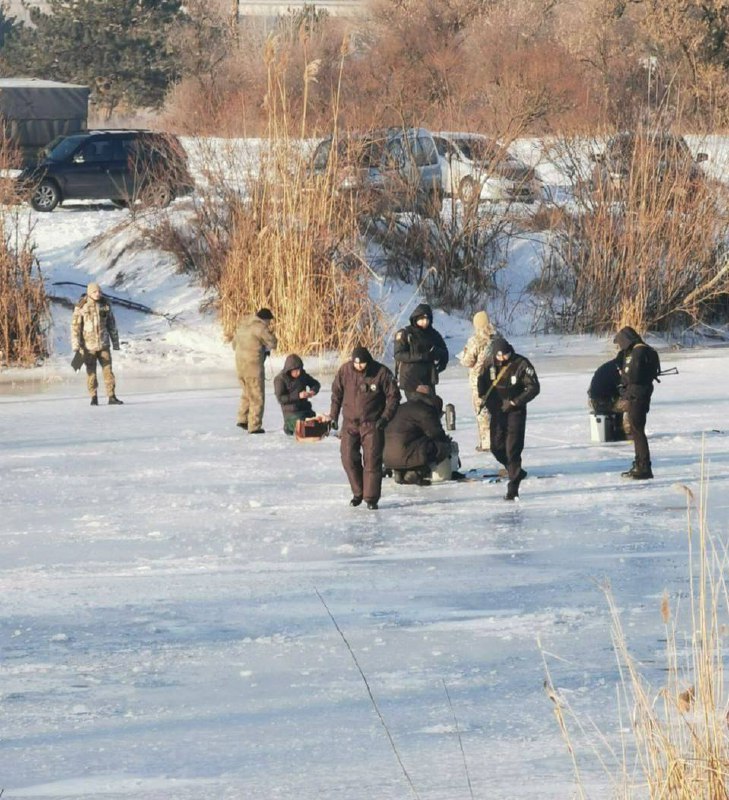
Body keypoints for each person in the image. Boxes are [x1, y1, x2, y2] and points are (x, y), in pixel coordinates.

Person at [327, 346, 400, 510]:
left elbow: (394, 396)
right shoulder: (345, 370)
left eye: (362, 364)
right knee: (348, 457)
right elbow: (336, 394)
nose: (359, 367)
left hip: (372, 423)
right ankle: (358, 492)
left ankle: (371, 498)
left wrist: (385, 418)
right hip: (350, 423)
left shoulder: (381, 372)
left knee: (372, 461)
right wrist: (333, 417)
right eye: (356, 363)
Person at [478, 337, 540, 500]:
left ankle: (513, 487)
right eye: (499, 356)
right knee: (496, 447)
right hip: (497, 411)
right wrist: (487, 400)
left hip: (515, 411)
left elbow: (534, 387)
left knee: (512, 449)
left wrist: (515, 402)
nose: (503, 358)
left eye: (505, 354)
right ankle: (515, 470)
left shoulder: (521, 364)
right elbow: (481, 382)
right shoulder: (489, 364)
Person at [383, 384, 460, 486]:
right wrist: (447, 443)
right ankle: (417, 472)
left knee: (413, 443)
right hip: (405, 454)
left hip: (388, 457)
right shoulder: (425, 409)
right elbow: (436, 433)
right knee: (441, 447)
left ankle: (400, 471)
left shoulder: (402, 407)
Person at [614, 326, 660, 479]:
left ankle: (643, 466)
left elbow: (632, 375)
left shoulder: (637, 352)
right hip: (643, 394)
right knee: (637, 430)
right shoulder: (647, 350)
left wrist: (624, 387)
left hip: (636, 396)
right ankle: (640, 464)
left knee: (637, 431)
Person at [71, 282, 123, 406]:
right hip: (89, 347)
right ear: (89, 293)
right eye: (95, 292)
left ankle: (112, 396)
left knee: (108, 371)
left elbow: (111, 324)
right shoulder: (82, 306)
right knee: (91, 373)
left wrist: (115, 342)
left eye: (99, 292)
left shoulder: (105, 304)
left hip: (104, 344)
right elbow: (75, 327)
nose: (97, 294)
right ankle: (93, 397)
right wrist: (76, 345)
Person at [233, 307, 277, 434]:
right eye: (269, 321)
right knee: (257, 396)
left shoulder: (243, 326)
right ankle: (254, 426)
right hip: (253, 367)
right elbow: (272, 342)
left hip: (240, 367)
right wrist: (266, 346)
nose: (269, 324)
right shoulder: (260, 328)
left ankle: (242, 419)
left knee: (247, 392)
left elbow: (233, 345)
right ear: (265, 319)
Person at [459, 310, 498, 452]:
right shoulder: (497, 337)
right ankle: (498, 440)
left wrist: (463, 356)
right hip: (496, 379)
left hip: (479, 381)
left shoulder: (475, 340)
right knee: (496, 411)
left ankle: (487, 443)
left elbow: (468, 361)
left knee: (482, 412)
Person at [394, 303, 449, 394]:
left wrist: (437, 357)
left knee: (431, 405)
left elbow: (444, 352)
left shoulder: (433, 334)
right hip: (411, 378)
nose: (425, 322)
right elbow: (398, 354)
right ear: (416, 319)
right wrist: (421, 356)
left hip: (428, 377)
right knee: (417, 406)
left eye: (427, 319)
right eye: (422, 319)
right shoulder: (406, 333)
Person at [273, 354, 321, 435]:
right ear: (289, 370)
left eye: (299, 370)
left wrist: (312, 391)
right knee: (305, 429)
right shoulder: (280, 379)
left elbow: (315, 384)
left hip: (305, 410)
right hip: (291, 413)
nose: (298, 373)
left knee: (319, 423)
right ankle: (288, 427)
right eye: (295, 371)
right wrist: (298, 396)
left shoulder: (302, 375)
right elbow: (281, 399)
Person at [588, 354, 630, 440]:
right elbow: (623, 391)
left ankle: (620, 430)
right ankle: (629, 431)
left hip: (597, 400)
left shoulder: (611, 366)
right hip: (601, 402)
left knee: (625, 401)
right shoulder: (617, 371)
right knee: (631, 404)